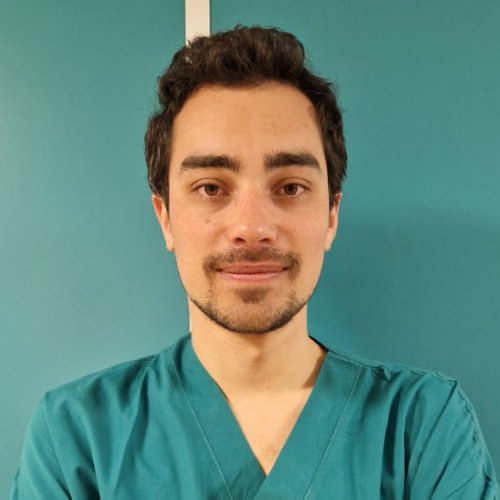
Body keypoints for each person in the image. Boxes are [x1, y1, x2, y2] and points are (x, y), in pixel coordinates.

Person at [10, 25, 499, 499]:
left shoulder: (423, 428)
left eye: (290, 187)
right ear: (165, 218)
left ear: (331, 216)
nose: (251, 226)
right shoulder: (77, 439)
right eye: (210, 188)